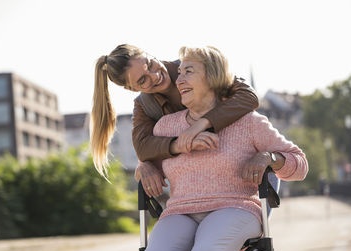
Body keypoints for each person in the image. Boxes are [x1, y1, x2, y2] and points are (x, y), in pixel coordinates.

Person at [139, 46, 308, 251]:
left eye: (188, 71)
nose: (179, 80)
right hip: (180, 211)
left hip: (235, 207)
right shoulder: (165, 126)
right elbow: (149, 162)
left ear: (213, 76)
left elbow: (300, 164)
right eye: (179, 73)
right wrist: (144, 166)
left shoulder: (249, 121)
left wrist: (268, 157)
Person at [90, 44, 258, 189]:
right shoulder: (145, 106)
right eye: (142, 81)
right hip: (210, 183)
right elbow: (143, 147)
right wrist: (151, 160)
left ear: (150, 54)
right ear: (131, 89)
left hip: (253, 169)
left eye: (149, 64)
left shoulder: (194, 65)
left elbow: (249, 96)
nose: (155, 76)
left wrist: (200, 125)